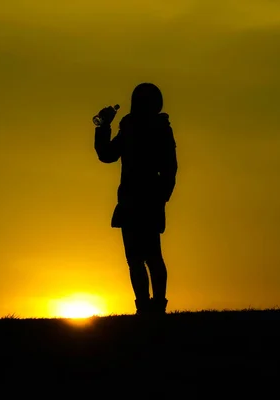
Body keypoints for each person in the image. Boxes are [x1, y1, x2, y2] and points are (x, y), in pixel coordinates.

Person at [94, 83, 178, 315]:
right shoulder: (129, 127)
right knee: (136, 259)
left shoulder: (160, 128)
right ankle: (144, 307)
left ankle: (157, 306)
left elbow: (170, 167)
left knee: (151, 257)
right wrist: (103, 125)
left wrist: (162, 195)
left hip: (147, 200)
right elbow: (107, 154)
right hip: (131, 200)